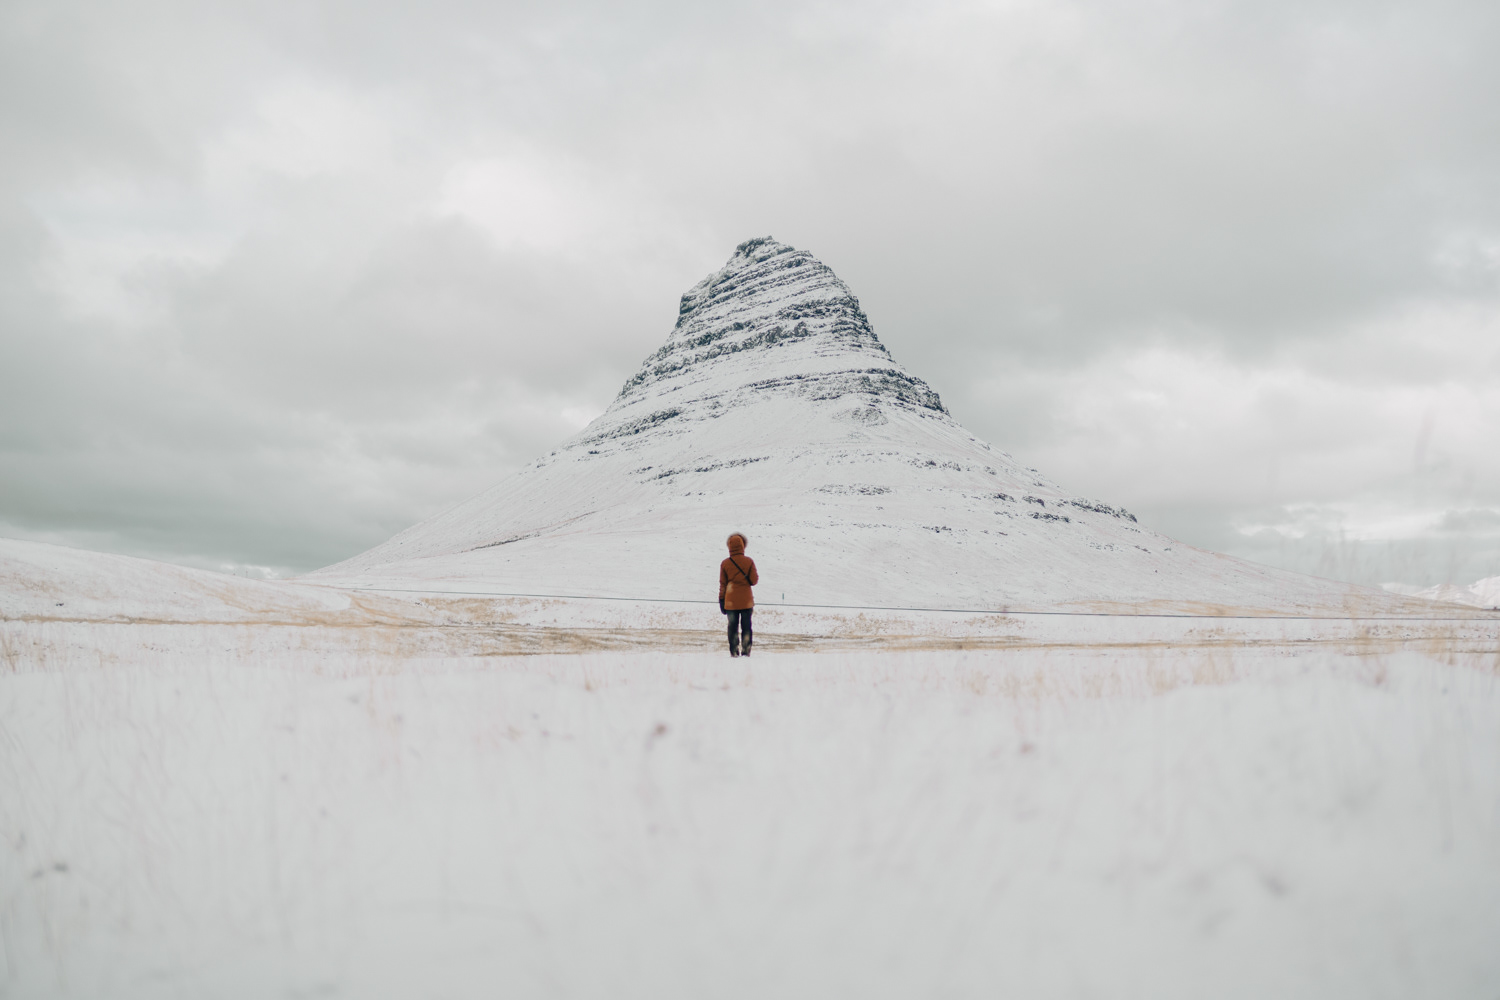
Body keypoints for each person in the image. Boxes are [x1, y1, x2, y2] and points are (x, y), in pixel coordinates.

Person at [719, 532, 759, 657]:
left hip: (730, 602)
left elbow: (723, 584)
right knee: (746, 627)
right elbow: (754, 581)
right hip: (746, 601)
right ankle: (746, 651)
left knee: (732, 627)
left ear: (729, 546)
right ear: (743, 546)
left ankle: (734, 652)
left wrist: (721, 600)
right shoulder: (749, 561)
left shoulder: (725, 563)